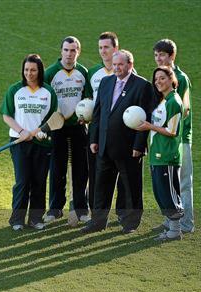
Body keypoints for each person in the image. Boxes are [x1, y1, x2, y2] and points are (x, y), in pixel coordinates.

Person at [82, 50, 153, 234]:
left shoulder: (142, 86)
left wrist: (139, 145)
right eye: (114, 65)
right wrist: (94, 139)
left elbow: (146, 118)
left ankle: (130, 223)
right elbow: (98, 114)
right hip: (104, 145)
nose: (116, 68)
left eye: (120, 65)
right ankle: (98, 221)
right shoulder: (106, 82)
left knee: (131, 187)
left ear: (130, 65)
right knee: (101, 186)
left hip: (129, 148)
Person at [0, 54, 58, 231]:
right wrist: (22, 131)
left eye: (33, 70)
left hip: (42, 144)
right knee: (23, 181)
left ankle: (35, 218)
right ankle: (17, 219)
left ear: (39, 71)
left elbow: (54, 119)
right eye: (26, 70)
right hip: (19, 143)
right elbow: (6, 115)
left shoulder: (48, 92)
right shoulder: (15, 90)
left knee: (39, 181)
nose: (29, 73)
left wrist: (39, 131)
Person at [44, 36, 92, 225]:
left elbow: (88, 98)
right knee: (57, 168)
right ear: (61, 51)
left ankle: (81, 209)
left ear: (78, 52)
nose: (69, 54)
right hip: (58, 128)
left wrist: (85, 116)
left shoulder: (83, 72)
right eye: (66, 50)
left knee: (82, 169)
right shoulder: (50, 73)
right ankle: (55, 209)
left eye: (73, 50)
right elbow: (44, 100)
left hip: (79, 127)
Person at [134, 66, 184, 240]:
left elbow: (172, 131)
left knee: (169, 193)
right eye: (156, 79)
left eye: (162, 78)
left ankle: (175, 230)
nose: (158, 82)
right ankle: (169, 224)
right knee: (160, 191)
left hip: (167, 156)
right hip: (158, 155)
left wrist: (149, 126)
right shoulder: (163, 100)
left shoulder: (174, 102)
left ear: (171, 79)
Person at [153, 39, 194, 233]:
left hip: (180, 138)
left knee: (183, 182)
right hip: (166, 139)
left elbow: (183, 110)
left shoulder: (181, 78)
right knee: (169, 184)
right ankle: (171, 221)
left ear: (171, 56)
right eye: (155, 55)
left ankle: (186, 223)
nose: (158, 58)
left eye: (161, 55)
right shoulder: (160, 77)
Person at [87, 31, 126, 224]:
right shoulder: (93, 72)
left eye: (107, 47)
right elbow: (91, 105)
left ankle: (122, 214)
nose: (103, 51)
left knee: (123, 179)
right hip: (99, 134)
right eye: (100, 47)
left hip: (120, 137)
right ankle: (96, 215)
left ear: (115, 49)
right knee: (98, 176)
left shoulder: (129, 74)